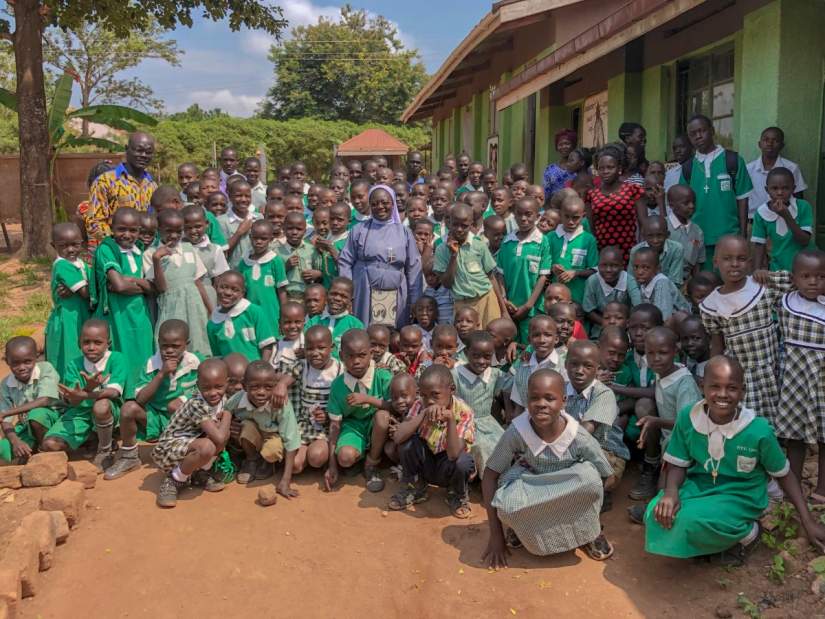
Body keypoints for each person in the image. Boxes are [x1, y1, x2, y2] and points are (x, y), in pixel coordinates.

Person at [645, 356, 825, 563]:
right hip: (699, 487)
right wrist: (670, 493)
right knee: (655, 513)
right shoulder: (688, 418)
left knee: (692, 520)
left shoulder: (758, 430)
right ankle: (711, 542)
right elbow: (677, 462)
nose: (722, 394)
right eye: (714, 386)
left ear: (743, 391)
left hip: (741, 495)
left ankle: (748, 534)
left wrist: (807, 520)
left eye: (731, 388)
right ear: (702, 386)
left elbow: (784, 475)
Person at [482, 369, 614, 567]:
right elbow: (490, 475)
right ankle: (522, 528)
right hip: (532, 483)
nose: (541, 404)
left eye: (550, 398)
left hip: (569, 486)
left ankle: (590, 532)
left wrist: (587, 510)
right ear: (527, 401)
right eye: (534, 398)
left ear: (564, 401)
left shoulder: (578, 436)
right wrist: (496, 535)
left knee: (590, 480)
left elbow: (607, 476)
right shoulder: (517, 432)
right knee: (507, 504)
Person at [699, 235, 791, 426]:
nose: (734, 264)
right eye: (727, 258)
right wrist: (714, 375)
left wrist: (769, 275)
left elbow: (799, 280)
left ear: (749, 263)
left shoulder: (762, 286)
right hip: (742, 375)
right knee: (748, 422)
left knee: (779, 421)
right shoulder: (711, 305)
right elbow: (717, 344)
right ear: (715, 262)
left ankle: (776, 453)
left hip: (771, 368)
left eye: (741, 259)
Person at [104, 319, 201, 480]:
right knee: (128, 408)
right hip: (155, 417)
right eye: (164, 346)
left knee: (178, 405)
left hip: (185, 419)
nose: (169, 351)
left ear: (186, 344)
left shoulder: (196, 362)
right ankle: (129, 457)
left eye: (175, 346)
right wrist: (161, 374)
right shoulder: (151, 364)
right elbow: (140, 399)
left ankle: (187, 457)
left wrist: (184, 401)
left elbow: (205, 391)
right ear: (158, 343)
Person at [629, 327, 702, 512]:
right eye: (650, 353)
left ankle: (654, 511)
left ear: (675, 352)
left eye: (662, 353)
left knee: (665, 489)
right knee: (644, 405)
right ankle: (654, 468)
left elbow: (689, 425)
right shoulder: (663, 372)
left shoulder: (684, 383)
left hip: (683, 446)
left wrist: (656, 422)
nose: (656, 358)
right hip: (667, 441)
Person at [389, 365, 475, 518]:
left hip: (448, 467)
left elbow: (454, 454)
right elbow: (398, 437)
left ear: (452, 389)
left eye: (435, 395)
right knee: (408, 443)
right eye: (424, 395)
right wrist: (422, 414)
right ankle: (415, 488)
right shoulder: (420, 405)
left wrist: (450, 420)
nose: (429, 401)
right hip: (426, 465)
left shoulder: (464, 412)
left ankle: (457, 495)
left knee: (464, 461)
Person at [42, 320, 127, 470]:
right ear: (79, 343)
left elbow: (114, 392)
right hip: (80, 413)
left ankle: (105, 450)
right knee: (50, 444)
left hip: (111, 411)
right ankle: (91, 438)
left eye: (98, 342)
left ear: (108, 343)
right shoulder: (74, 365)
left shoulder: (117, 359)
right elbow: (73, 401)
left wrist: (86, 393)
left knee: (101, 406)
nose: (91, 347)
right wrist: (81, 393)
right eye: (86, 342)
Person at [775, 249, 825, 502]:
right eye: (806, 276)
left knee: (824, 437)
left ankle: (822, 489)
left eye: (820, 277)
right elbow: (768, 279)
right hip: (794, 379)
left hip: (822, 382)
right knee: (794, 437)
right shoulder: (786, 301)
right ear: (794, 278)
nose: (814, 282)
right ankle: (791, 487)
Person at [339, 185, 422, 329]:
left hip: (395, 290)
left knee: (390, 334)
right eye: (375, 203)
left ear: (393, 203)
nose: (380, 207)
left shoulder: (404, 232)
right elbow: (345, 261)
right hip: (364, 290)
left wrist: (415, 300)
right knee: (364, 331)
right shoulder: (359, 230)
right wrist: (347, 295)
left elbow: (414, 267)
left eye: (385, 202)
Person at [151, 358, 232, 508]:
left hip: (191, 441)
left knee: (223, 433)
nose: (213, 393)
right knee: (209, 445)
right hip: (170, 447)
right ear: (198, 385)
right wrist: (228, 415)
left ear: (227, 383)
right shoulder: (197, 404)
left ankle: (199, 473)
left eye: (219, 386)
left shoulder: (222, 399)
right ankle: (175, 479)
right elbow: (219, 438)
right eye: (206, 388)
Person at [325, 329, 393, 493]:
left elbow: (395, 407)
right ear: (341, 356)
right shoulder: (338, 385)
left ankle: (372, 463)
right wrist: (332, 466)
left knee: (382, 416)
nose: (356, 361)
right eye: (350, 356)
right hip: (353, 427)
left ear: (371, 354)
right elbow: (335, 426)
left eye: (362, 355)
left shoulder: (383, 377)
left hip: (378, 427)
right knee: (345, 458)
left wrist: (368, 399)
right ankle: (357, 459)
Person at [680, 115, 752, 268]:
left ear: (712, 131)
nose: (698, 136)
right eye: (693, 134)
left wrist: (743, 235)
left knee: (730, 282)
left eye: (702, 131)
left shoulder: (732, 160)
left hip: (728, 235)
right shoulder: (688, 167)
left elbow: (742, 200)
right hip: (698, 238)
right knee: (703, 285)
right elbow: (682, 203)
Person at [565, 341, 628, 512]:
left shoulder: (604, 394)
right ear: (565, 364)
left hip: (604, 452)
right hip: (568, 447)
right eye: (574, 364)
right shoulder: (560, 389)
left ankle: (600, 494)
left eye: (587, 366)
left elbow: (585, 432)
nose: (579, 371)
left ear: (597, 369)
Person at [92, 207, 154, 383]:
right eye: (121, 229)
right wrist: (145, 286)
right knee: (122, 353)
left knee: (143, 351)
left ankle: (142, 395)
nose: (127, 235)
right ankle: (124, 397)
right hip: (118, 313)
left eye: (133, 230)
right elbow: (119, 286)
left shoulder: (140, 249)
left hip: (139, 313)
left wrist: (133, 281)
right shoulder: (107, 249)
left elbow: (154, 287)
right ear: (112, 228)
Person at [143, 209, 211, 357]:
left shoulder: (188, 248)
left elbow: (198, 282)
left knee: (198, 342)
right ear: (158, 230)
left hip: (194, 305)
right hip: (171, 307)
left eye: (178, 231)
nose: (174, 236)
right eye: (168, 231)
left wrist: (210, 308)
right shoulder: (150, 254)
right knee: (173, 346)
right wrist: (157, 260)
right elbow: (161, 288)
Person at [228, 362, 300, 497]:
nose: (261, 392)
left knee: (273, 449)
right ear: (244, 386)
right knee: (245, 426)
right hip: (252, 435)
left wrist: (286, 481)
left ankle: (267, 463)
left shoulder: (281, 403)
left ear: (275, 386)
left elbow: (291, 439)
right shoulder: (237, 399)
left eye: (268, 387)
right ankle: (251, 460)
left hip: (272, 436)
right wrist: (229, 423)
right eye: (254, 387)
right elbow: (226, 410)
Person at [280, 326, 342, 474]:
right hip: (304, 425)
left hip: (328, 428)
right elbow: (286, 379)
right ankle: (305, 457)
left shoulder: (340, 370)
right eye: (309, 349)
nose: (315, 353)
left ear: (332, 347)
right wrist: (281, 385)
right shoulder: (303, 366)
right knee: (294, 466)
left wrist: (327, 416)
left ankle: (320, 455)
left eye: (321, 348)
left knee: (316, 457)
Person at [434, 203, 506, 329]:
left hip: (486, 299)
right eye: (455, 224)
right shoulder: (441, 250)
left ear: (472, 224)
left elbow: (491, 277)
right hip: (462, 304)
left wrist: (503, 310)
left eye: (464, 226)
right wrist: (453, 256)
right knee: (468, 342)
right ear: (449, 222)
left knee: (491, 338)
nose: (459, 229)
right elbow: (446, 283)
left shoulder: (479, 245)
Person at [86, 132, 157, 247]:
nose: (143, 155)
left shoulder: (152, 185)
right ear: (127, 149)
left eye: (148, 152)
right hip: (115, 251)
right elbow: (94, 221)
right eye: (139, 150)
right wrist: (116, 244)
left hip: (144, 252)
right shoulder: (105, 181)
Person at [496, 197, 551, 344]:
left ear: (538, 217)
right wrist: (504, 300)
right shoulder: (507, 241)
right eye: (519, 214)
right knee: (508, 345)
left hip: (531, 310)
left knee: (529, 347)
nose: (523, 218)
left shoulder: (542, 242)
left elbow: (543, 277)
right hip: (509, 309)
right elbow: (500, 275)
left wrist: (528, 306)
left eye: (528, 214)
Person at [45, 223, 95, 379]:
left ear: (83, 243)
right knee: (70, 352)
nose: (71, 249)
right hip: (69, 319)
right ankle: (68, 389)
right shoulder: (63, 265)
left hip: (80, 315)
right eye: (63, 246)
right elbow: (86, 292)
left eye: (75, 244)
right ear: (54, 246)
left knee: (82, 350)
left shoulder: (81, 264)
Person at [0, 337, 60, 463]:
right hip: (26, 426)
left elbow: (44, 400)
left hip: (53, 420)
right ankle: (27, 452)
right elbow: (5, 421)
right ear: (7, 361)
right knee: (3, 448)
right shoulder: (5, 384)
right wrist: (16, 442)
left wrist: (7, 413)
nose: (22, 367)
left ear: (36, 357)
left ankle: (44, 452)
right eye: (15, 363)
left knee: (37, 415)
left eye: (27, 361)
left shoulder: (45, 369)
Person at [586, 144, 646, 263]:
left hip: (629, 250)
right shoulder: (591, 194)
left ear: (619, 168)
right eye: (601, 168)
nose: (605, 171)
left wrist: (641, 249)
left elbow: (643, 222)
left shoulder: (633, 190)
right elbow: (591, 227)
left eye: (610, 167)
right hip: (602, 251)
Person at [750, 167, 814, 271]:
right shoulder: (761, 213)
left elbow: (804, 240)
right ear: (767, 190)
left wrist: (786, 216)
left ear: (793, 189)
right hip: (778, 267)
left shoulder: (803, 207)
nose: (780, 192)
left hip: (806, 266)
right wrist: (757, 270)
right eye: (774, 188)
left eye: (785, 188)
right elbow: (759, 244)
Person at [207, 271, 276, 362]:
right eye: (223, 287)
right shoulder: (213, 323)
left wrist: (262, 368)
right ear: (216, 287)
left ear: (242, 293)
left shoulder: (254, 312)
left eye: (235, 289)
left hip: (255, 370)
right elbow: (217, 355)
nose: (228, 292)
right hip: (229, 373)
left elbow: (266, 345)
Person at [238, 220, 288, 337]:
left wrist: (284, 317)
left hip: (271, 312)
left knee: (271, 340)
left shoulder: (275, 261)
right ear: (250, 237)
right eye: (255, 238)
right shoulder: (244, 262)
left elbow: (282, 292)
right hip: (249, 312)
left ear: (271, 239)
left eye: (263, 239)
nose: (258, 242)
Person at [746, 127, 807, 221]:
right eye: (766, 140)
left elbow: (798, 200)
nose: (770, 144)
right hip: (753, 222)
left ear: (782, 145)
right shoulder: (748, 169)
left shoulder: (791, 168)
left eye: (775, 141)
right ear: (759, 144)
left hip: (783, 221)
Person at [509, 315, 564, 418]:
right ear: (529, 339)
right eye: (536, 335)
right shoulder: (522, 366)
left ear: (556, 339)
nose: (542, 340)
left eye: (547, 335)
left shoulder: (563, 368)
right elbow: (519, 405)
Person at [548, 197, 598, 305]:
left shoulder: (588, 240)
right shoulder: (551, 237)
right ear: (560, 214)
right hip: (554, 298)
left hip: (578, 297)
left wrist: (576, 273)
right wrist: (553, 268)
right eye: (566, 216)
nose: (570, 222)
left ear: (583, 216)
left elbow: (594, 270)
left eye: (575, 218)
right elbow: (543, 265)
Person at [183, 204, 230, 311]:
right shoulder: (179, 247)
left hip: (208, 296)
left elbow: (219, 278)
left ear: (207, 224)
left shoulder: (215, 249)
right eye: (188, 228)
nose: (193, 231)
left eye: (198, 226)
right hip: (184, 296)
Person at [304, 277, 364, 357]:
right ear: (327, 295)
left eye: (343, 296)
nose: (337, 298)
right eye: (334, 294)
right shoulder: (313, 322)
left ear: (350, 301)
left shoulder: (356, 325)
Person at [628, 248, 690, 321]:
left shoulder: (662, 283)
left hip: (681, 322)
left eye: (645, 267)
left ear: (657, 269)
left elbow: (664, 316)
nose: (639, 272)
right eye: (636, 267)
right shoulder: (644, 283)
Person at [583, 245, 629, 339]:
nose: (608, 270)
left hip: (626, 328)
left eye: (614, 266)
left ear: (622, 266)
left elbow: (636, 307)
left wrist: (622, 325)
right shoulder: (593, 281)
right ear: (598, 266)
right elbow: (588, 310)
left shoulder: (629, 280)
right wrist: (608, 325)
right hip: (600, 328)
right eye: (604, 265)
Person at [629, 216, 685, 287]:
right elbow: (631, 282)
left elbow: (675, 282)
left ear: (667, 235)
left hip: (667, 291)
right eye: (650, 236)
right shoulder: (636, 251)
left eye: (659, 235)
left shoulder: (676, 249)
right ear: (643, 236)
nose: (655, 241)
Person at [219, 180, 262, 268]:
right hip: (233, 271)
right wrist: (239, 232)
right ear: (230, 197)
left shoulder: (259, 218)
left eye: (247, 196)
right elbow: (221, 250)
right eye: (238, 196)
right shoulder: (221, 221)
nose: (243, 199)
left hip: (255, 269)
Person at [280, 212, 323, 299]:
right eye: (290, 228)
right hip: (286, 296)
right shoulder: (277, 251)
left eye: (299, 229)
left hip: (307, 297)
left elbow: (322, 272)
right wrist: (285, 267)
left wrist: (317, 274)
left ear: (305, 231)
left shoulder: (311, 249)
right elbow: (273, 276)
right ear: (283, 229)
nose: (294, 232)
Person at [666, 185, 704, 281]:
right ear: (671, 205)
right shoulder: (664, 227)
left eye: (693, 202)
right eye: (686, 203)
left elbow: (697, 264)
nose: (692, 206)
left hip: (686, 282)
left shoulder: (697, 231)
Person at [542, 129, 578, 200]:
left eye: (567, 143)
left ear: (574, 145)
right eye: (560, 144)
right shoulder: (549, 170)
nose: (564, 147)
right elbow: (545, 195)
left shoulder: (580, 168)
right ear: (556, 147)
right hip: (554, 208)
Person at [678, 315, 710, 387]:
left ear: (709, 338)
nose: (690, 343)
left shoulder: (715, 366)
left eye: (696, 338)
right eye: (685, 339)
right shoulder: (688, 359)